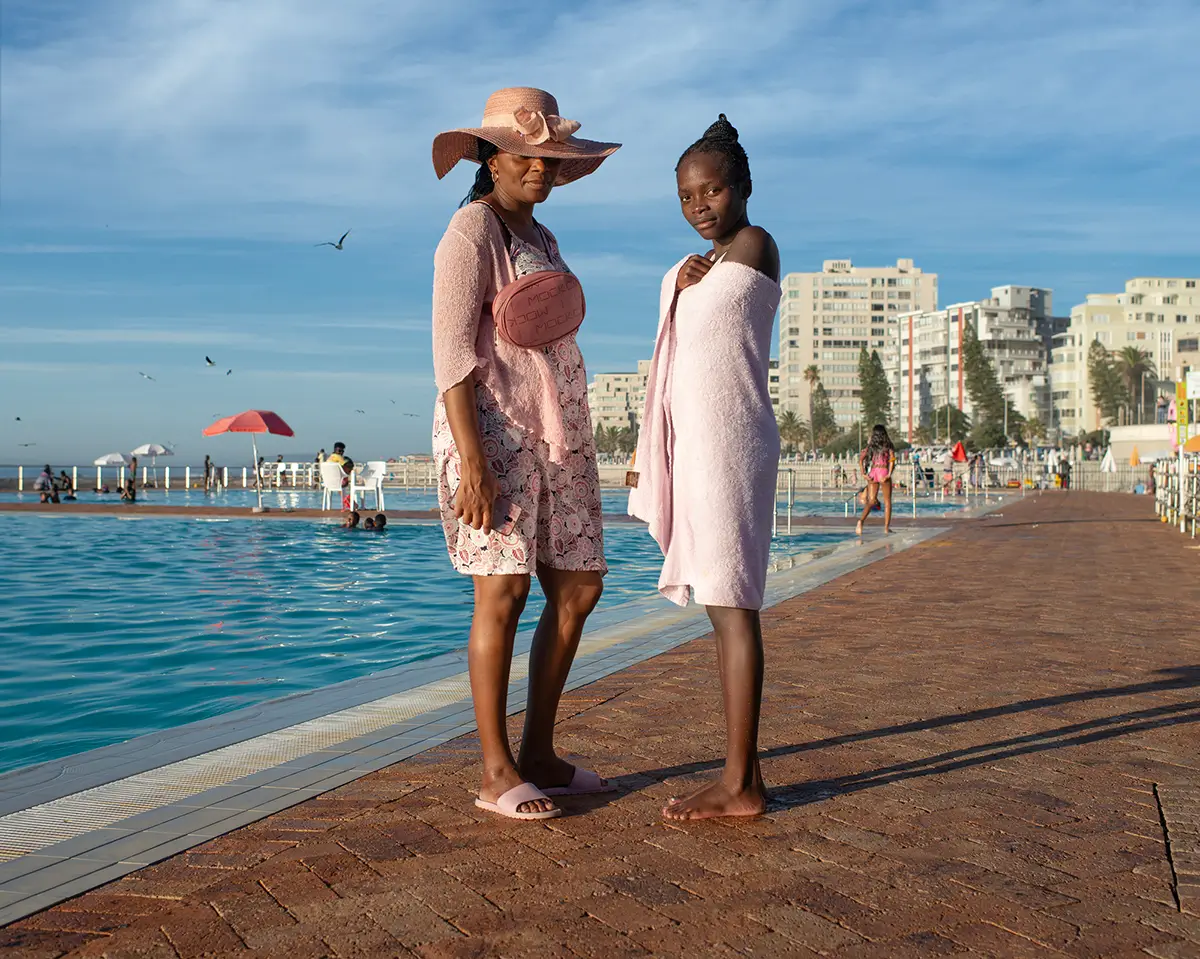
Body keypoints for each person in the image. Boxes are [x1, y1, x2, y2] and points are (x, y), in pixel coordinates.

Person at [430, 87, 619, 820]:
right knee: (501, 592)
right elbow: (450, 352)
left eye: (549, 158)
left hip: (559, 431)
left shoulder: (541, 238)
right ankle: (495, 769)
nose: (539, 168)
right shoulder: (470, 232)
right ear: (491, 157)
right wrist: (472, 461)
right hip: (493, 431)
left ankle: (539, 749)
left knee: (579, 586)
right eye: (526, 155)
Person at [630, 114, 780, 821]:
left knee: (733, 606)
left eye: (713, 191)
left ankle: (740, 783)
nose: (701, 208)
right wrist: (679, 283)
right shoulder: (697, 268)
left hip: (731, 443)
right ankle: (740, 775)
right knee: (726, 607)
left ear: (744, 188)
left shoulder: (754, 244)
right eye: (687, 198)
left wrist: (683, 284)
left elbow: (717, 312)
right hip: (702, 445)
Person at [856, 425, 897, 535]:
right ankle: (886, 528)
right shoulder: (888, 445)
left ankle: (861, 521)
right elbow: (892, 459)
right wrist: (889, 473)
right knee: (887, 502)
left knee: (872, 501)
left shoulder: (871, 446)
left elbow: (861, 460)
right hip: (883, 471)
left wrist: (863, 474)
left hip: (873, 473)